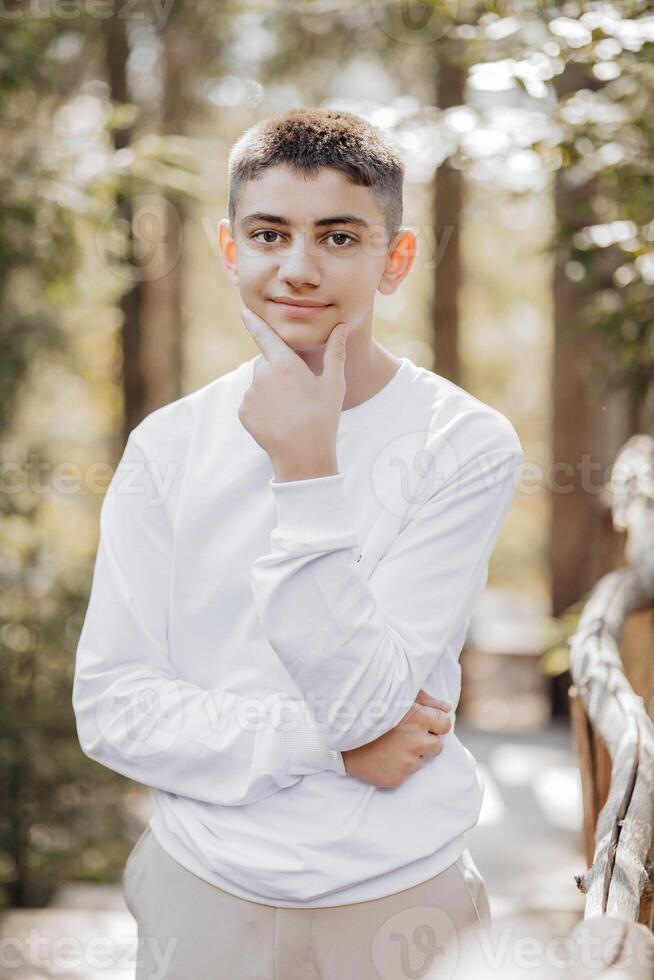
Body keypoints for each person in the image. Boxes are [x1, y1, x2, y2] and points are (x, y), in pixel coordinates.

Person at [72, 107, 524, 980]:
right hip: (201, 891)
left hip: (399, 899)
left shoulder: (464, 443)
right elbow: (114, 708)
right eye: (270, 232)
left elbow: (369, 702)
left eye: (340, 236)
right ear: (228, 247)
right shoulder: (166, 446)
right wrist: (326, 747)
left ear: (396, 259)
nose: (299, 269)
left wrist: (306, 469)